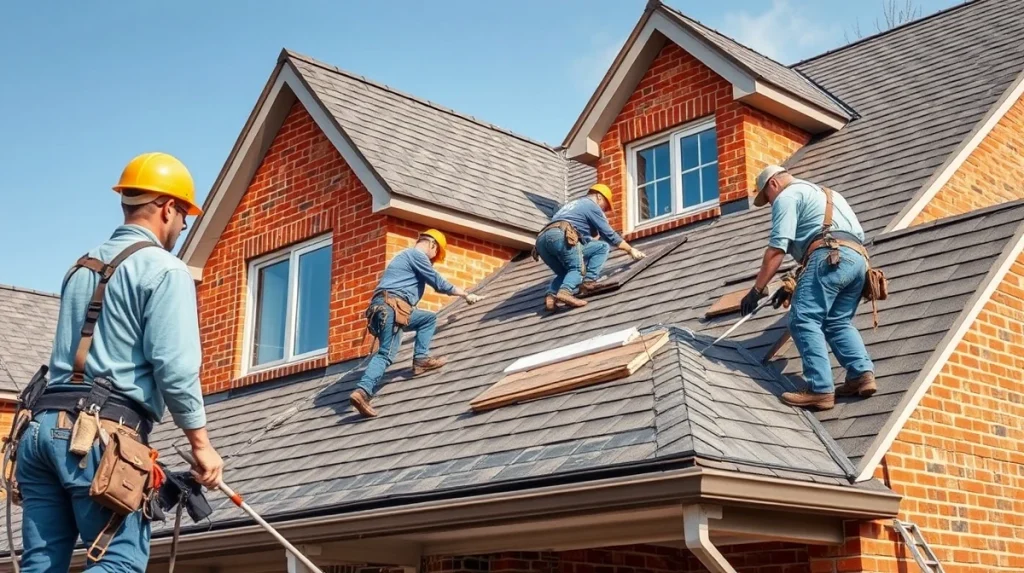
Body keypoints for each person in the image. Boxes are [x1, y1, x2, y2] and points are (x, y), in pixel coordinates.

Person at [15, 152, 224, 572]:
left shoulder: (81, 266)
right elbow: (175, 367)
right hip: (99, 437)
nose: (184, 227)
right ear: (168, 208)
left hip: (39, 433)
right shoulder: (165, 270)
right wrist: (201, 446)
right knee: (119, 562)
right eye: (184, 216)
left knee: (41, 563)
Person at [741, 165, 876, 411]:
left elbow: (777, 249)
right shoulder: (827, 194)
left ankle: (820, 390)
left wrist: (757, 288)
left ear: (773, 184)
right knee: (837, 322)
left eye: (768, 199)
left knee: (803, 318)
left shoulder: (787, 196)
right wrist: (795, 281)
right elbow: (842, 238)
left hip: (828, 256)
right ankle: (861, 375)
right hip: (858, 262)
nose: (771, 204)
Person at [349, 229, 483, 418]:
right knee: (386, 354)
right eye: (435, 255)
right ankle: (362, 391)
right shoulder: (416, 255)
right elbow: (438, 282)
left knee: (427, 319)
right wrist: (465, 294)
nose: (433, 260)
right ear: (432, 245)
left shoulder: (404, 258)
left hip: (386, 309)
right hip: (393, 308)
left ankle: (421, 360)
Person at [535, 183, 646, 311]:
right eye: (605, 206)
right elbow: (609, 234)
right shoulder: (591, 205)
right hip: (562, 235)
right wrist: (630, 249)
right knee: (589, 258)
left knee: (566, 272)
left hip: (542, 241)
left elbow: (589, 238)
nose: (604, 211)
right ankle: (578, 287)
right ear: (599, 197)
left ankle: (551, 296)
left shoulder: (573, 206)